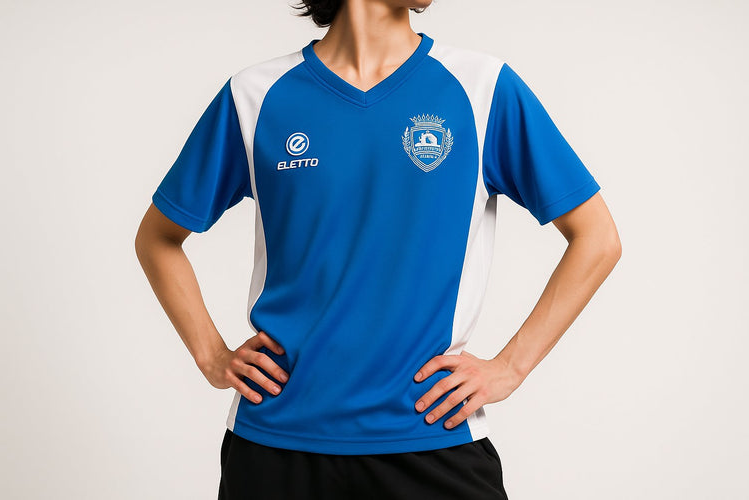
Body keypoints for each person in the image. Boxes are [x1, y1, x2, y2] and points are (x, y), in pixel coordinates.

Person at [134, 0, 622, 498]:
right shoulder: (254, 96)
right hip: (276, 444)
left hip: (431, 435)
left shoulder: (483, 88)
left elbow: (597, 239)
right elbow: (158, 238)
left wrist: (511, 367)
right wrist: (211, 355)